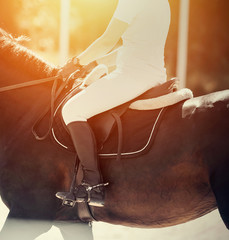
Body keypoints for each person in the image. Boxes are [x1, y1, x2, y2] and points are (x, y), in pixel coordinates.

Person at [56, 0, 171, 207]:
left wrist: (75, 62)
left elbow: (107, 40)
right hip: (152, 74)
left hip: (132, 76)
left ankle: (93, 184)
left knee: (71, 110)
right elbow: (132, 48)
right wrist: (92, 63)